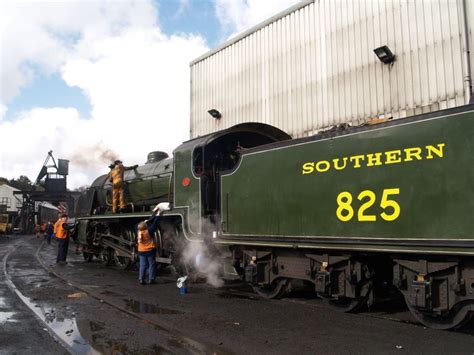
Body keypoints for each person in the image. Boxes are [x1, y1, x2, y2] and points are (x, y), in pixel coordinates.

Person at [136, 205, 166, 285]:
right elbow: (155, 223)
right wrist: (157, 215)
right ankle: (151, 279)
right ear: (146, 226)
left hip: (141, 251)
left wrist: (149, 218)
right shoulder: (149, 231)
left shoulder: (138, 232)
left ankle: (141, 279)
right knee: (152, 265)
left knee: (143, 265)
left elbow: (139, 226)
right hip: (150, 251)